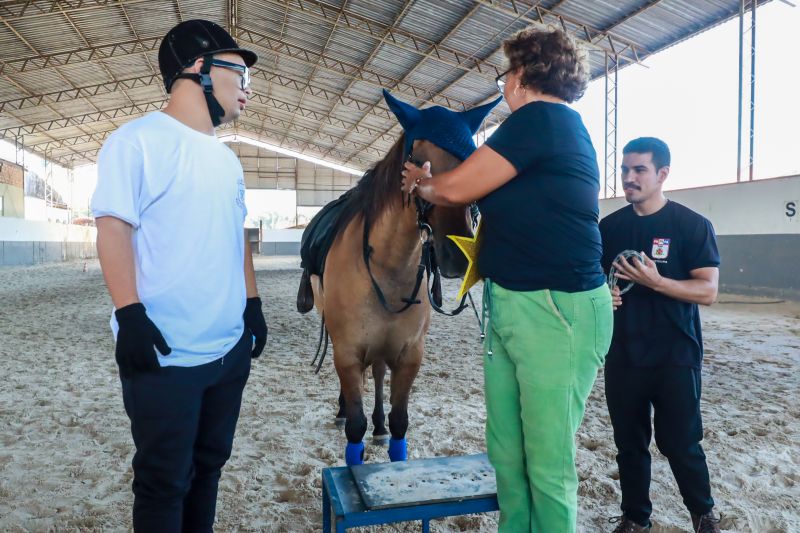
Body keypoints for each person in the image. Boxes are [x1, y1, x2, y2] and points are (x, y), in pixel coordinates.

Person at [401, 27, 612, 532]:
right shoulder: (547, 127)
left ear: (520, 75)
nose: (503, 84)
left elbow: (457, 187)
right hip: (514, 302)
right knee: (508, 452)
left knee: (547, 462)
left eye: (504, 73)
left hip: (553, 309)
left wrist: (419, 183)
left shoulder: (539, 118)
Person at [91, 19, 267, 532]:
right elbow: (113, 229)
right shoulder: (137, 141)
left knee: (209, 469)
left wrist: (251, 306)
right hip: (166, 352)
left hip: (227, 350)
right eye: (239, 73)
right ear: (198, 69)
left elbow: (237, 238)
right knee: (164, 482)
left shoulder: (226, 160)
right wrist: (130, 313)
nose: (247, 90)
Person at [600, 137, 721, 533]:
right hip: (624, 354)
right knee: (629, 445)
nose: (629, 178)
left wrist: (656, 281)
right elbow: (592, 282)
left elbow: (708, 291)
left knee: (681, 443)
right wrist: (604, 296)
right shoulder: (610, 228)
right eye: (624, 170)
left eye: (639, 170)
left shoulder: (691, 225)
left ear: (662, 174)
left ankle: (703, 516)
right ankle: (635, 519)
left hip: (675, 354)